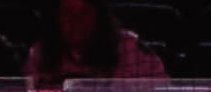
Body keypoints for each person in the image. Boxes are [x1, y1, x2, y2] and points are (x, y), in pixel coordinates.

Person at [31, 0, 165, 78]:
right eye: (67, 13)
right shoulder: (39, 56)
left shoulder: (133, 53)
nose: (75, 21)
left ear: (100, 16)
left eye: (83, 13)